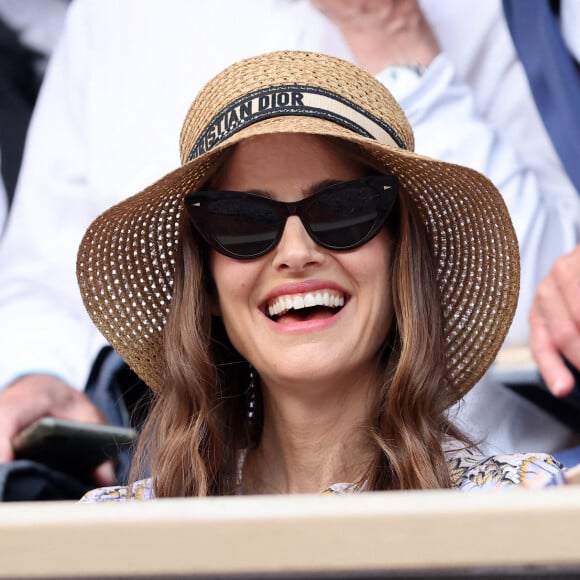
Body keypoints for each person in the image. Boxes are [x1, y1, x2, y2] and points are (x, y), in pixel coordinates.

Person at [1, 0, 579, 486]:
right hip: (168, 473)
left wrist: (393, 35)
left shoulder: (499, 12)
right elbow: (42, 274)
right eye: (239, 222)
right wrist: (33, 371)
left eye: (347, 210)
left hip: (491, 494)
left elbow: (549, 310)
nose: (294, 252)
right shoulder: (112, 15)